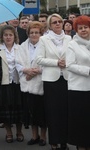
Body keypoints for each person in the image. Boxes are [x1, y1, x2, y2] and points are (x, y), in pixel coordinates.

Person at [36, 13, 71, 150]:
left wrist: (66, 62)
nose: (58, 24)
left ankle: (64, 141)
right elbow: (39, 59)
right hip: (51, 80)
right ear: (50, 25)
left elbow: (73, 56)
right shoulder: (44, 39)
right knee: (53, 112)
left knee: (65, 112)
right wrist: (56, 62)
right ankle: (54, 141)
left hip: (66, 79)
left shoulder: (69, 38)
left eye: (60, 21)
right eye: (54, 22)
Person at [0, 25, 23, 143]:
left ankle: (19, 131)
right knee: (6, 110)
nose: (8, 37)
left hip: (17, 83)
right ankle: (9, 133)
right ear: (2, 36)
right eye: (6, 35)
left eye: (10, 35)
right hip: (3, 83)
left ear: (14, 36)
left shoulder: (20, 48)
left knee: (19, 109)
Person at [16, 21, 47, 146]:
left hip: (41, 83)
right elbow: (17, 63)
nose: (34, 35)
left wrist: (36, 71)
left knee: (43, 112)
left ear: (41, 33)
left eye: (37, 32)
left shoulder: (45, 45)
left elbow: (48, 63)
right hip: (27, 83)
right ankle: (35, 136)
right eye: (31, 32)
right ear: (28, 33)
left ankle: (43, 136)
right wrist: (26, 70)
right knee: (31, 111)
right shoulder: (22, 46)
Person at [66, 15, 90, 150]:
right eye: (80, 28)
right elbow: (70, 65)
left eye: (86, 27)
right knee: (80, 121)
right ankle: (80, 146)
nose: (83, 30)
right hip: (78, 89)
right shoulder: (72, 44)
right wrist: (88, 71)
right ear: (76, 30)